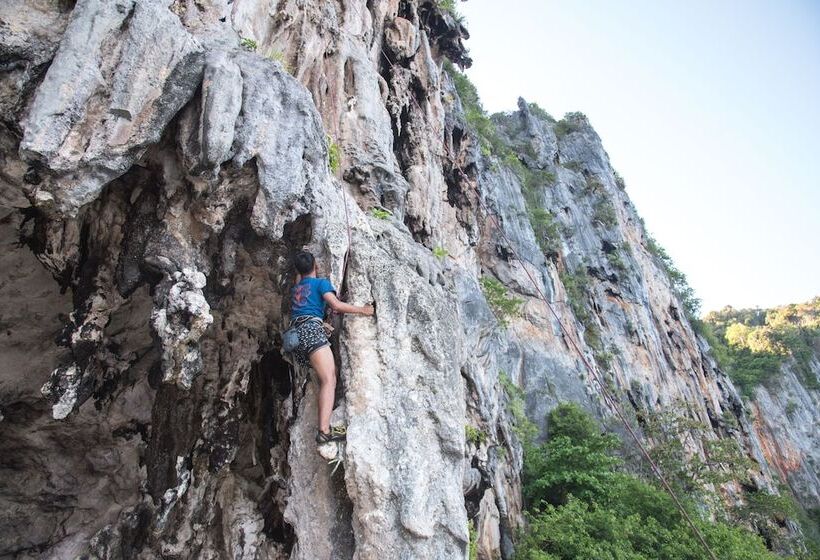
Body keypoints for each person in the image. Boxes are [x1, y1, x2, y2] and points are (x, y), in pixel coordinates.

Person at [289, 250, 374, 444]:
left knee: (330, 372)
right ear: (316, 266)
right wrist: (363, 310)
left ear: (298, 272)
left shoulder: (296, 288)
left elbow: (301, 280)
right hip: (310, 332)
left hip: (296, 337)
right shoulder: (321, 284)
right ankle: (324, 431)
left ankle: (325, 422)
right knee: (329, 379)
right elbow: (336, 305)